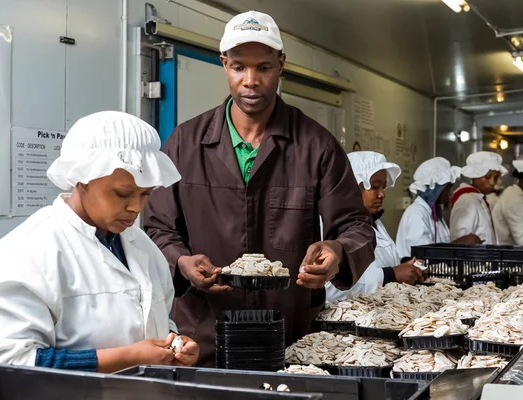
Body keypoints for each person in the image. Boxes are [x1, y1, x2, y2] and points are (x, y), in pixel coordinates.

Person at [143, 11, 375, 367]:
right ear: (224, 64)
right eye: (239, 67)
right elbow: (157, 227)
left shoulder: (315, 145)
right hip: (202, 335)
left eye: (263, 68)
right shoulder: (185, 144)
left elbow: (356, 226)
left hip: (289, 336)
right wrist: (181, 261)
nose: (250, 81)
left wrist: (337, 249)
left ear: (281, 64)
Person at [0, 111, 199, 373]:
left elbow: (155, 317)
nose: (135, 207)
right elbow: (10, 363)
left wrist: (174, 344)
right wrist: (129, 357)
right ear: (82, 178)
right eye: (122, 193)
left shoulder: (141, 245)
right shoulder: (27, 252)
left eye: (145, 194)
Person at [325, 152, 423, 302]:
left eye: (384, 187)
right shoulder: (331, 225)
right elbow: (329, 288)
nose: (382, 194)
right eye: (375, 187)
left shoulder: (374, 222)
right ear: (353, 187)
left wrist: (407, 267)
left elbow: (381, 264)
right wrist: (390, 275)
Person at [396, 157, 482, 259]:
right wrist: (460, 243)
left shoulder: (434, 213)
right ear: (434, 188)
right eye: (447, 188)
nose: (450, 193)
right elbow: (423, 253)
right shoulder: (416, 213)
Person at [449, 152, 508, 245]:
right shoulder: (467, 200)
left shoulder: (479, 198)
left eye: (495, 177)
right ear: (475, 176)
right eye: (487, 177)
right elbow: (460, 241)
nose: (492, 182)